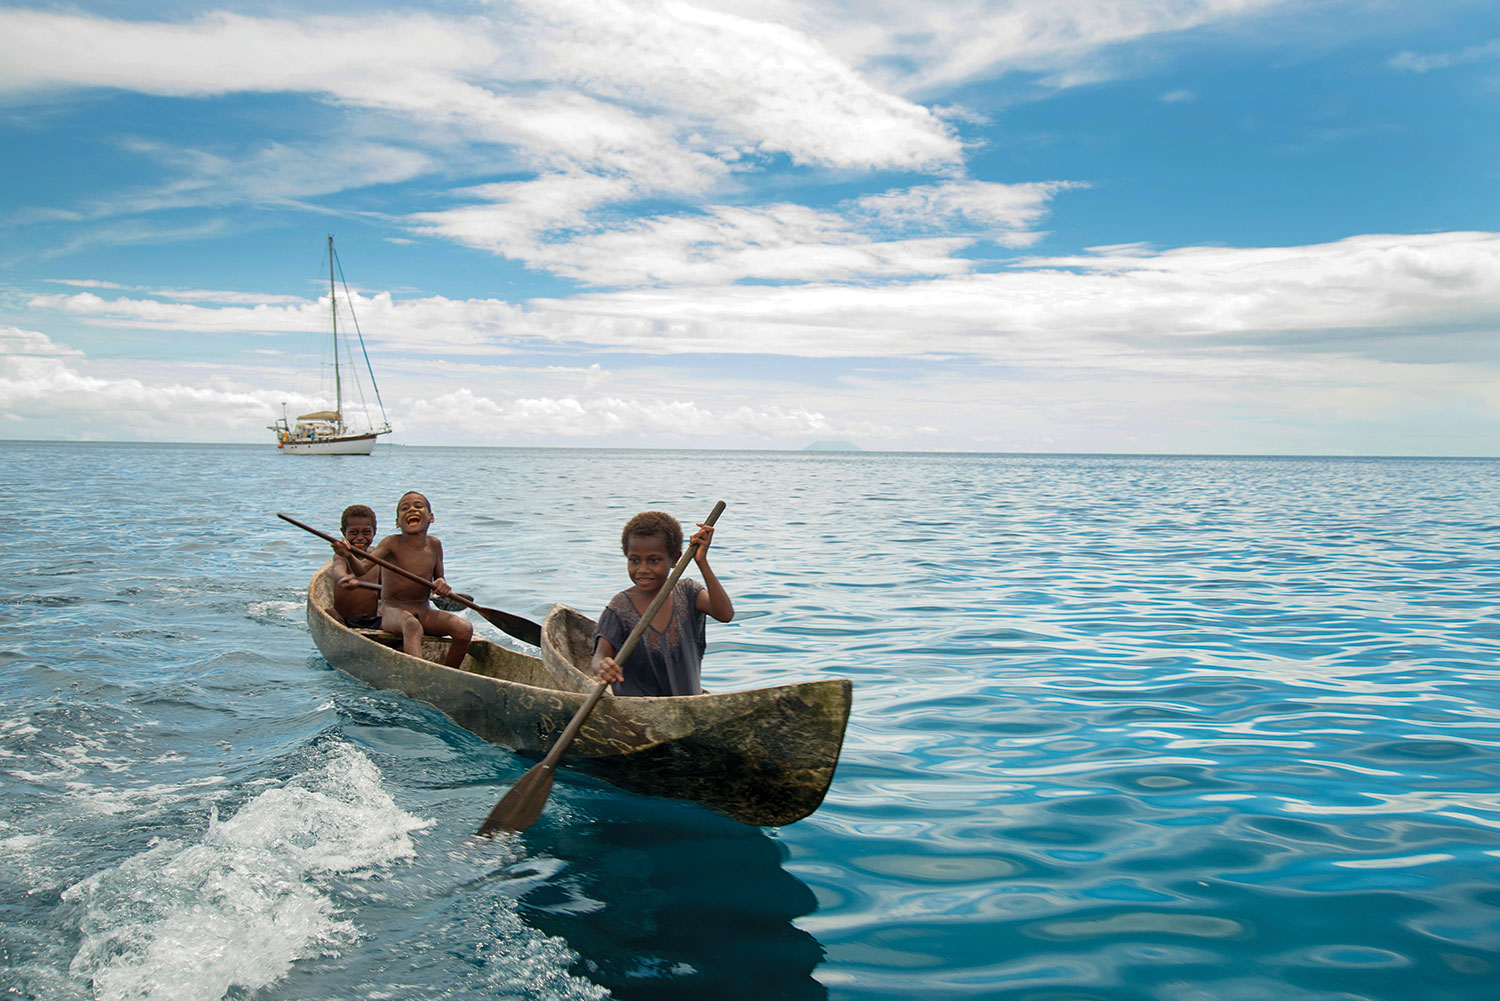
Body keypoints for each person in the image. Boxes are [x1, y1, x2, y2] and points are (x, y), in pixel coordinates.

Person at [591, 510, 734, 697]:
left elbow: (725, 614)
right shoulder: (620, 607)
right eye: (634, 560)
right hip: (635, 711)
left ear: (674, 559)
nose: (642, 569)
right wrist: (603, 667)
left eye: (654, 561)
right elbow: (599, 656)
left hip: (687, 704)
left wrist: (702, 561)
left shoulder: (688, 592)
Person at [344, 491, 473, 669]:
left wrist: (441, 583)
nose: (412, 509)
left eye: (418, 506)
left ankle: (450, 673)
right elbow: (361, 569)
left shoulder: (435, 545)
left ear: (431, 517)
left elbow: (439, 577)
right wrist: (348, 556)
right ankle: (418, 672)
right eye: (405, 508)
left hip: (423, 609)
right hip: (392, 612)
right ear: (398, 522)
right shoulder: (390, 543)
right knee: (412, 625)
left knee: (464, 630)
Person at [330, 503, 381, 628]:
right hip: (347, 621)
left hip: (373, 620)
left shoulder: (378, 556)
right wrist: (343, 578)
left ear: (374, 531)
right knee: (329, 612)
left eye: (366, 532)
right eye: (353, 533)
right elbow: (338, 569)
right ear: (343, 532)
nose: (360, 538)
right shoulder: (341, 556)